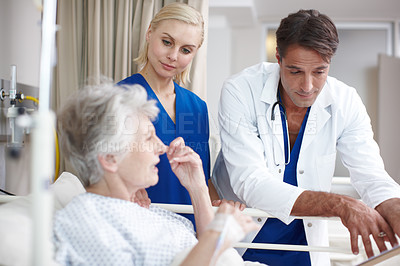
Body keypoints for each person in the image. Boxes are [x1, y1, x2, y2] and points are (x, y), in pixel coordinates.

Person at [212, 9, 400, 266]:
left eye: (319, 72)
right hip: (241, 242)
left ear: (330, 63)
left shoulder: (346, 101)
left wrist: (394, 209)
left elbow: (371, 175)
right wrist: (341, 205)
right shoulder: (241, 91)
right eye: (295, 71)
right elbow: (250, 182)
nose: (308, 86)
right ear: (278, 58)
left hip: (304, 248)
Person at [53, 82, 261, 265]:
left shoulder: (142, 210)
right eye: (148, 138)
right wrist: (215, 237)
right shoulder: (88, 225)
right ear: (109, 158)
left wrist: (197, 187)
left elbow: (203, 253)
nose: (161, 147)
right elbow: (207, 249)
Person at [117, 2, 220, 225]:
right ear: (149, 33)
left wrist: (221, 205)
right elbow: (101, 171)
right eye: (167, 42)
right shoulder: (119, 98)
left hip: (192, 233)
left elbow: (204, 179)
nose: (173, 56)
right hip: (142, 226)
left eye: (185, 50)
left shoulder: (198, 107)